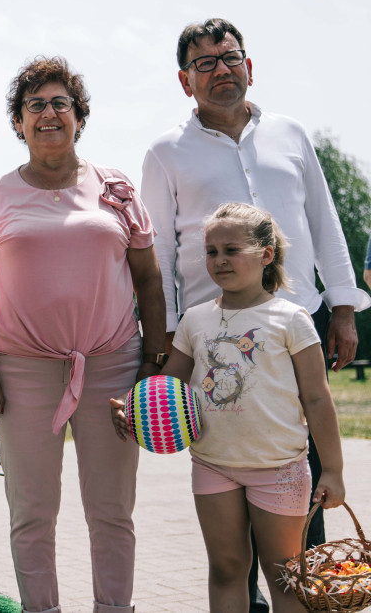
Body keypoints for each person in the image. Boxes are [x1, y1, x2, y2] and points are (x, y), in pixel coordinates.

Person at [141, 17, 369, 611]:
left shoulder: (290, 134)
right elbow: (160, 251)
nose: (222, 69)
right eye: (205, 63)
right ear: (185, 80)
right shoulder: (166, 152)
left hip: (299, 322)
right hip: (210, 336)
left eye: (230, 57)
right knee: (226, 475)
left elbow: (325, 225)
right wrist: (163, 338)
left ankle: (300, 593)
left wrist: (343, 307)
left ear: (250, 65)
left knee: (302, 469)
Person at [0, 56, 164, 613]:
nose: (48, 113)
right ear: (18, 123)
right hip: (22, 368)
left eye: (60, 103)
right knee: (31, 509)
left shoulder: (117, 188)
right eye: (35, 105)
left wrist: (154, 359)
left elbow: (149, 278)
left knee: (110, 510)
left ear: (80, 117)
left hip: (113, 366)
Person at [114, 203, 346, 613]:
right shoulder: (195, 320)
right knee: (226, 569)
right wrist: (133, 414)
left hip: (280, 469)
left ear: (266, 254)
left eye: (231, 250)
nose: (219, 260)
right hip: (213, 465)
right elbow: (170, 388)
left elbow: (317, 398)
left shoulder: (291, 319)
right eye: (211, 251)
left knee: (284, 576)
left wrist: (333, 469)